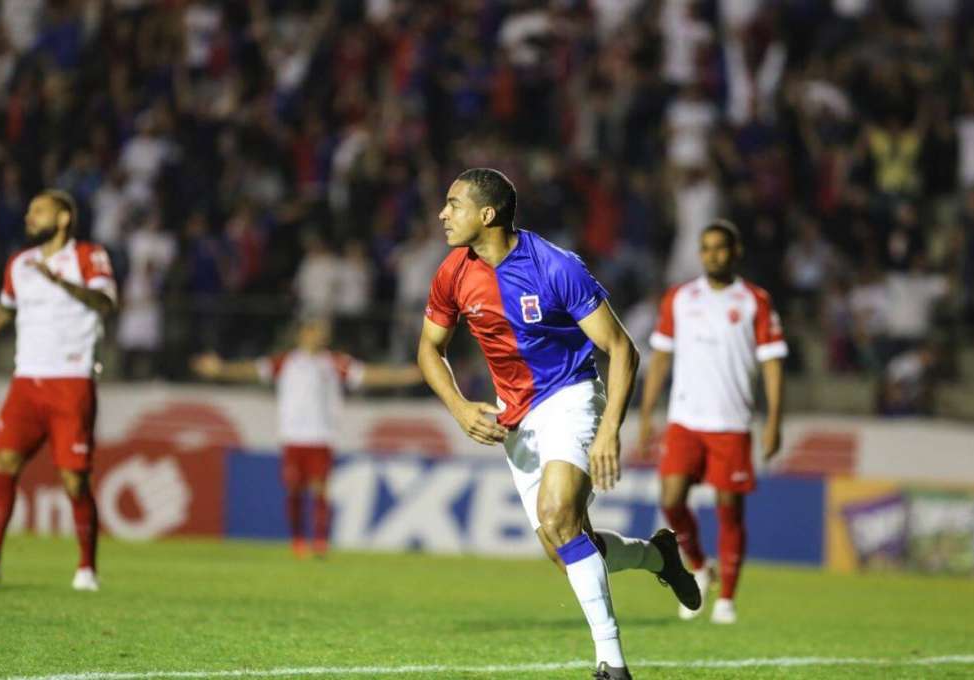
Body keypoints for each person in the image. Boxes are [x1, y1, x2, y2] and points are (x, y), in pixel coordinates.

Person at [418, 168, 699, 680]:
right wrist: (459, 408)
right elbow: (429, 349)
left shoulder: (555, 267)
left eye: (453, 204)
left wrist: (611, 427)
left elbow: (620, 349)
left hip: (570, 396)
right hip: (515, 416)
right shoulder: (453, 272)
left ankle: (611, 664)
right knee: (564, 545)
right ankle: (659, 557)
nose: (443, 213)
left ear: (487, 214)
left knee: (557, 513)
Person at [638, 219, 787, 625]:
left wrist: (773, 421)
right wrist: (648, 412)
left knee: (729, 508)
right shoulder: (680, 298)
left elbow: (772, 362)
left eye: (720, 248)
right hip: (685, 417)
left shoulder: (755, 300)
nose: (712, 255)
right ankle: (701, 567)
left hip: (732, 420)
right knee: (671, 500)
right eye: (705, 248)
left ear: (735, 251)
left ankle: (728, 599)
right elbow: (661, 357)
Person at [191, 317, 422, 558]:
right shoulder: (286, 362)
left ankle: (320, 542)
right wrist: (221, 369)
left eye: (322, 331)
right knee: (294, 488)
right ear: (302, 334)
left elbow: (370, 375)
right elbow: (251, 370)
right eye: (314, 330)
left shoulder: (334, 363)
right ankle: (298, 540)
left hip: (321, 436)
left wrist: (408, 375)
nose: (319, 335)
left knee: (320, 490)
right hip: (293, 436)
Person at [0, 190, 118, 591]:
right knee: (1, 464)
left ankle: (86, 568)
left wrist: (60, 281)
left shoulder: (88, 256)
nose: (30, 217)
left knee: (74, 481)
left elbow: (105, 302)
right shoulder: (20, 263)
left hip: (72, 379)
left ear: (63, 218)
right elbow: (3, 312)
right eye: (29, 210)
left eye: (38, 210)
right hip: (26, 381)